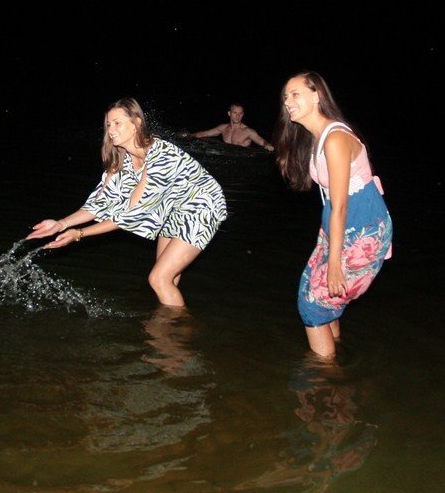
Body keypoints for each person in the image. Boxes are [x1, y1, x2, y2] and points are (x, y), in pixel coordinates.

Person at [27, 97, 228, 308]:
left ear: (137, 123)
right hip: (172, 207)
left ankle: (178, 335)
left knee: (159, 278)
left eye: (117, 123)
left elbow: (128, 215)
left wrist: (79, 233)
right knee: (168, 278)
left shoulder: (160, 157)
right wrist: (62, 223)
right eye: (108, 124)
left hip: (201, 204)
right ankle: (166, 324)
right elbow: (98, 204)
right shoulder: (120, 161)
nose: (111, 129)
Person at [273, 72, 393, 359]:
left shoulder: (335, 139)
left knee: (312, 304)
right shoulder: (318, 139)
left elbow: (340, 205)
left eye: (295, 94)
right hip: (339, 227)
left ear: (317, 96)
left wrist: (335, 263)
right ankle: (335, 356)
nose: (288, 101)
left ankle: (323, 379)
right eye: (285, 96)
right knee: (320, 294)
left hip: (361, 228)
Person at [185, 103, 275, 151]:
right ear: (229, 113)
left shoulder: (248, 131)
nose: (237, 116)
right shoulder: (223, 128)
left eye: (240, 113)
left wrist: (267, 145)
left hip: (243, 162)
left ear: (243, 115)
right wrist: (190, 135)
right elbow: (205, 133)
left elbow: (261, 141)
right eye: (235, 113)